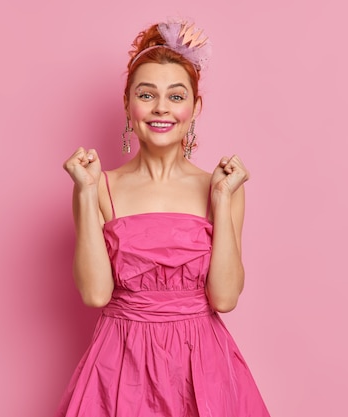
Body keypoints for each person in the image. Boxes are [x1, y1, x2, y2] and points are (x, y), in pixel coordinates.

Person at [58, 18, 271, 417]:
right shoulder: (98, 186)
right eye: (146, 94)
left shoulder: (221, 187)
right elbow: (95, 295)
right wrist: (86, 194)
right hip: (120, 367)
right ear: (128, 105)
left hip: (201, 367)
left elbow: (224, 298)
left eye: (176, 96)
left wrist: (223, 200)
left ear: (194, 108)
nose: (161, 109)